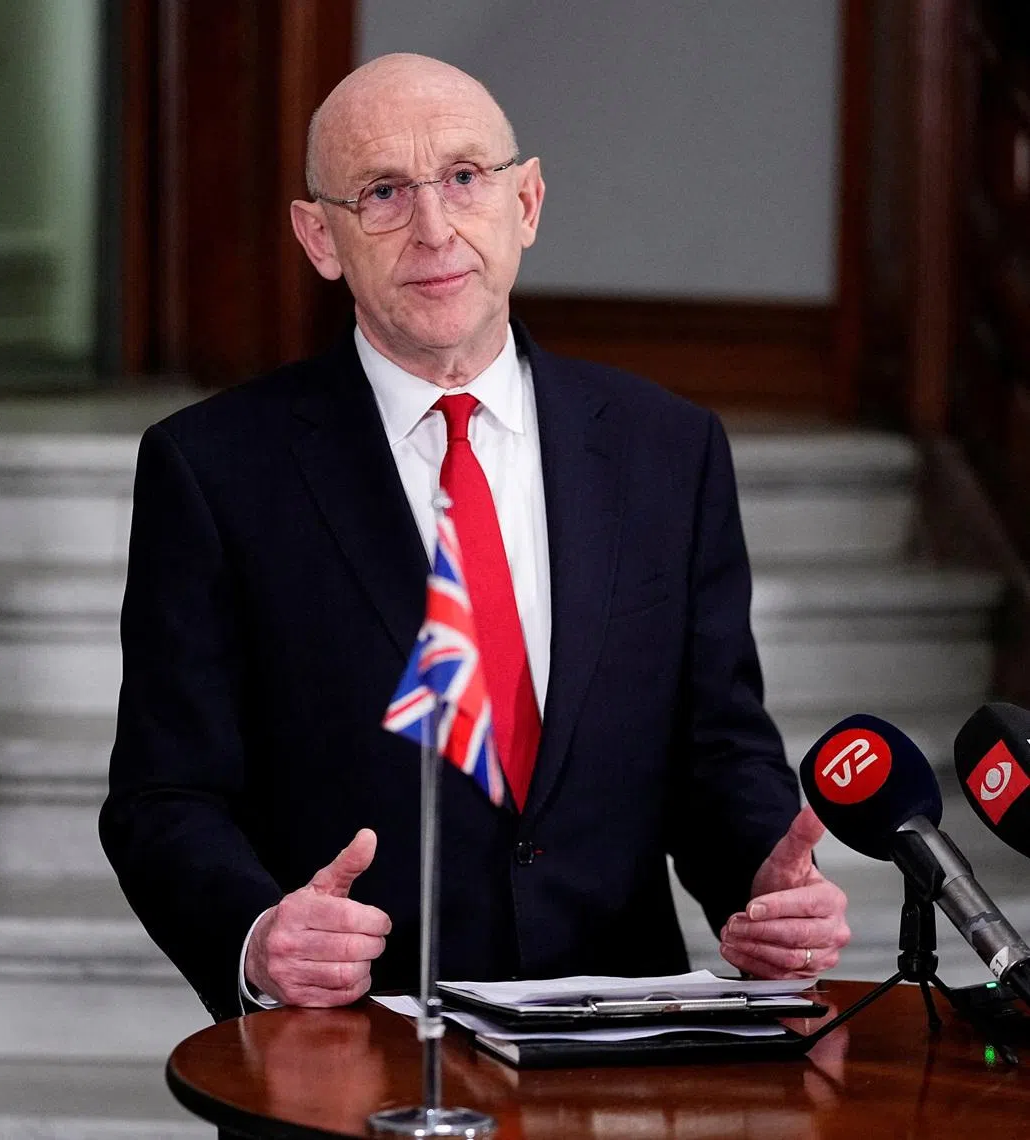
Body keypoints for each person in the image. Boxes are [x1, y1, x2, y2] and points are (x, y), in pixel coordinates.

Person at [100, 53, 849, 1020]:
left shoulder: (669, 448)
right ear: (319, 238)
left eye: (464, 178)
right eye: (382, 192)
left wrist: (763, 884)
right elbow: (162, 798)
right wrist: (259, 934)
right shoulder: (211, 470)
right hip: (355, 1048)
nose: (434, 228)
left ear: (526, 204)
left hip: (617, 1042)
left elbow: (718, 750)